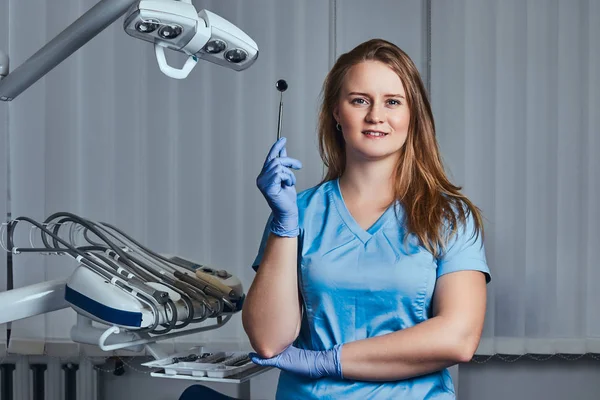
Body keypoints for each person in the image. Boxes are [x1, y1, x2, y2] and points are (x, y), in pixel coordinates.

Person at [242, 38, 491, 399]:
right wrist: (283, 224)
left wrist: (327, 362)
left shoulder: (449, 217)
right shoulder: (299, 213)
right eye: (360, 100)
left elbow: (459, 338)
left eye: (393, 102)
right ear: (336, 113)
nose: (376, 115)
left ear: (412, 116)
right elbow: (268, 340)